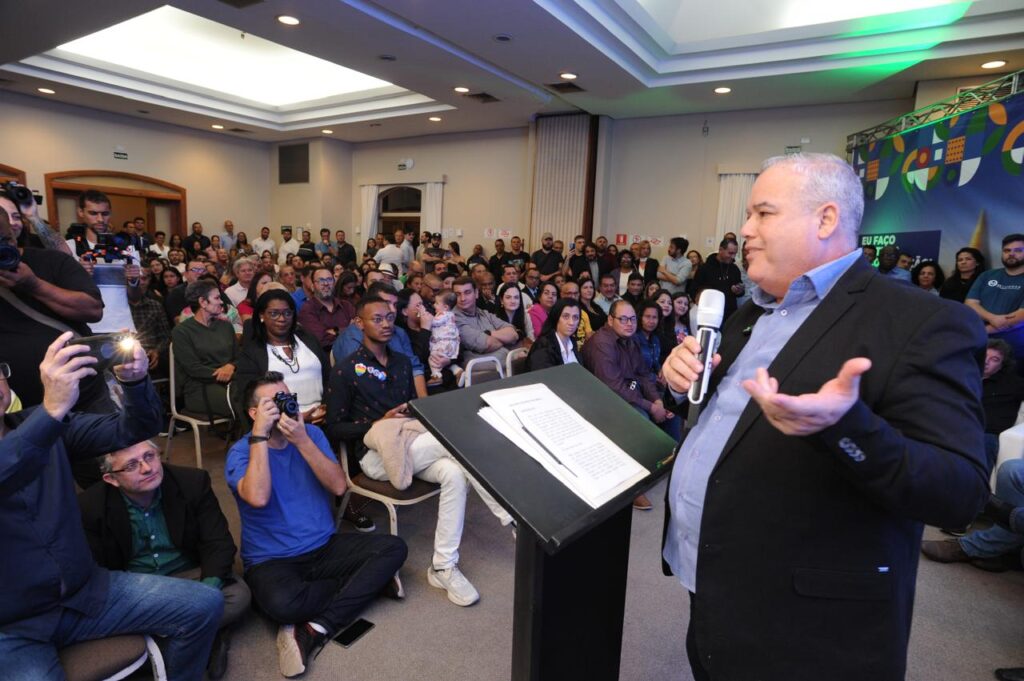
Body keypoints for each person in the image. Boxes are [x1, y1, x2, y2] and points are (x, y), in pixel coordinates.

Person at [660, 152, 988, 681]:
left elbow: (960, 491)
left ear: (826, 219)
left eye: (762, 214)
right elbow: (731, 420)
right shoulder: (752, 309)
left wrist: (847, 427)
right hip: (715, 587)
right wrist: (684, 381)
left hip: (812, 625)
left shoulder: (921, 322)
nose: (744, 230)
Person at [0, 335, 223, 680]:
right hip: (13, 627)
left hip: (87, 593)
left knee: (204, 605)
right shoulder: (45, 422)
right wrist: (51, 411)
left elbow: (136, 429)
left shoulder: (45, 424)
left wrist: (133, 383)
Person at [325, 297, 513, 607]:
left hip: (413, 445)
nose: (386, 324)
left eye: (389, 317)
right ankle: (510, 517)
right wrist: (378, 423)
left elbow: (414, 410)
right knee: (458, 442)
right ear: (360, 323)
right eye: (377, 319)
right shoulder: (345, 371)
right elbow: (333, 428)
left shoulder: (400, 362)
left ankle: (442, 566)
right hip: (374, 457)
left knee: (454, 472)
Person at [227, 371, 406, 678]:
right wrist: (260, 435)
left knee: (394, 548)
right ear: (254, 413)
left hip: (325, 546)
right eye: (273, 403)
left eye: (287, 398)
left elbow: (339, 487)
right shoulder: (241, 451)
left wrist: (302, 440)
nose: (284, 406)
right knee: (285, 605)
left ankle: (314, 629)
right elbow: (257, 496)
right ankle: (365, 585)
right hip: (272, 560)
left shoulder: (312, 435)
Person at [79, 439, 250, 679]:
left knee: (238, 595)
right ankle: (205, 637)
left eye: (150, 456)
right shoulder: (90, 505)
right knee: (94, 618)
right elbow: (94, 569)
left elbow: (218, 543)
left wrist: (205, 599)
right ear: (112, 479)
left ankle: (179, 637)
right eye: (131, 466)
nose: (147, 468)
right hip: (137, 586)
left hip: (190, 574)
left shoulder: (192, 482)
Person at [0, 201, 110, 413]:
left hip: (86, 399)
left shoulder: (53, 261)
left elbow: (93, 310)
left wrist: (33, 284)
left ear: (14, 232)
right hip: (18, 411)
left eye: (5, 240)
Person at [233, 289, 329, 425]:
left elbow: (329, 378)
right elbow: (248, 397)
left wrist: (326, 408)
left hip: (322, 417)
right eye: (274, 314)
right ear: (261, 315)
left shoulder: (309, 340)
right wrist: (295, 417)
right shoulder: (253, 352)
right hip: (278, 423)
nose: (282, 318)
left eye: (287, 313)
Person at [171, 280, 237, 419]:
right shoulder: (182, 331)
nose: (221, 302)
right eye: (217, 298)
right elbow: (193, 368)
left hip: (231, 380)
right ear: (203, 302)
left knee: (258, 398)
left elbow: (238, 356)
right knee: (243, 402)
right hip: (199, 387)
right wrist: (224, 373)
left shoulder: (226, 326)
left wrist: (231, 366)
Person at [966, 234, 1024, 372]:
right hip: (978, 345)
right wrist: (993, 319)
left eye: (1018, 250)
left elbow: (1021, 316)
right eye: (1007, 250)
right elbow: (970, 303)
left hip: (1013, 350)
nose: (1011, 254)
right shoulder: (987, 275)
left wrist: (983, 331)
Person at [452, 277, 522, 365]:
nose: (462, 298)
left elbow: (513, 333)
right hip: (481, 374)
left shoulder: (484, 313)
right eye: (458, 294)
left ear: (476, 293)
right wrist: (504, 339)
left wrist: (488, 333)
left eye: (467, 293)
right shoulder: (453, 319)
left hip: (505, 365)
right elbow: (487, 344)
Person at [298, 267, 355, 353]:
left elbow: (360, 330)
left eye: (329, 280)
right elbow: (321, 340)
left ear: (334, 283)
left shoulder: (346, 306)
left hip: (353, 355)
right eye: (320, 280)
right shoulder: (307, 310)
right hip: (326, 360)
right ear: (313, 286)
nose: (326, 283)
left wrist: (335, 331)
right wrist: (348, 330)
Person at [693, 238, 744, 319]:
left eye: (735, 254)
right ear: (720, 250)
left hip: (729, 314)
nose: (733, 257)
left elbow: (740, 287)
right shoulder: (705, 268)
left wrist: (739, 290)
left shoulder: (734, 269)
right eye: (730, 253)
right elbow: (694, 290)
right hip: (709, 313)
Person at [525, 298, 581, 371]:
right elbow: (544, 377)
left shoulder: (572, 342)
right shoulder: (543, 345)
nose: (571, 322)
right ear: (556, 318)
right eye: (565, 316)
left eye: (575, 317)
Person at [423, 290, 460, 386]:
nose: (434, 305)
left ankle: (436, 376)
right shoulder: (451, 315)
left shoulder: (443, 315)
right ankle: (458, 371)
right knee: (445, 362)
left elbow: (434, 322)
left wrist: (424, 315)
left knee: (433, 358)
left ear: (445, 307)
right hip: (452, 344)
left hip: (443, 343)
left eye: (437, 303)